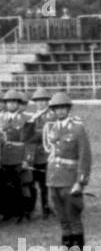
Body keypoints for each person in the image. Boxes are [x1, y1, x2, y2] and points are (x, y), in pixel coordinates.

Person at [44, 92, 92, 251]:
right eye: (56, 108)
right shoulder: (51, 128)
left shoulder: (77, 128)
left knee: (74, 218)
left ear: (68, 109)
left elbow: (85, 156)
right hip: (54, 179)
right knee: (62, 219)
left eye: (63, 108)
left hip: (70, 179)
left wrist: (81, 181)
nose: (60, 111)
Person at [0, 89, 35, 223]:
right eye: (8, 102)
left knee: (21, 185)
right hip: (4, 157)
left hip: (19, 155)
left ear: (19, 104)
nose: (11, 105)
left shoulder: (26, 118)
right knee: (6, 186)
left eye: (14, 102)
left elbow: (30, 142)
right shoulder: (1, 118)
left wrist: (27, 159)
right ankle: (9, 212)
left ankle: (23, 212)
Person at [26, 88, 53, 219]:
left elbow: (45, 134)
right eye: (38, 101)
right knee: (31, 183)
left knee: (44, 184)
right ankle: (31, 208)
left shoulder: (51, 115)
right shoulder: (33, 116)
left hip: (45, 154)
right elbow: (25, 135)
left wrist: (34, 133)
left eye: (43, 100)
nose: (41, 103)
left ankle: (46, 207)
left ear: (48, 101)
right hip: (32, 155)